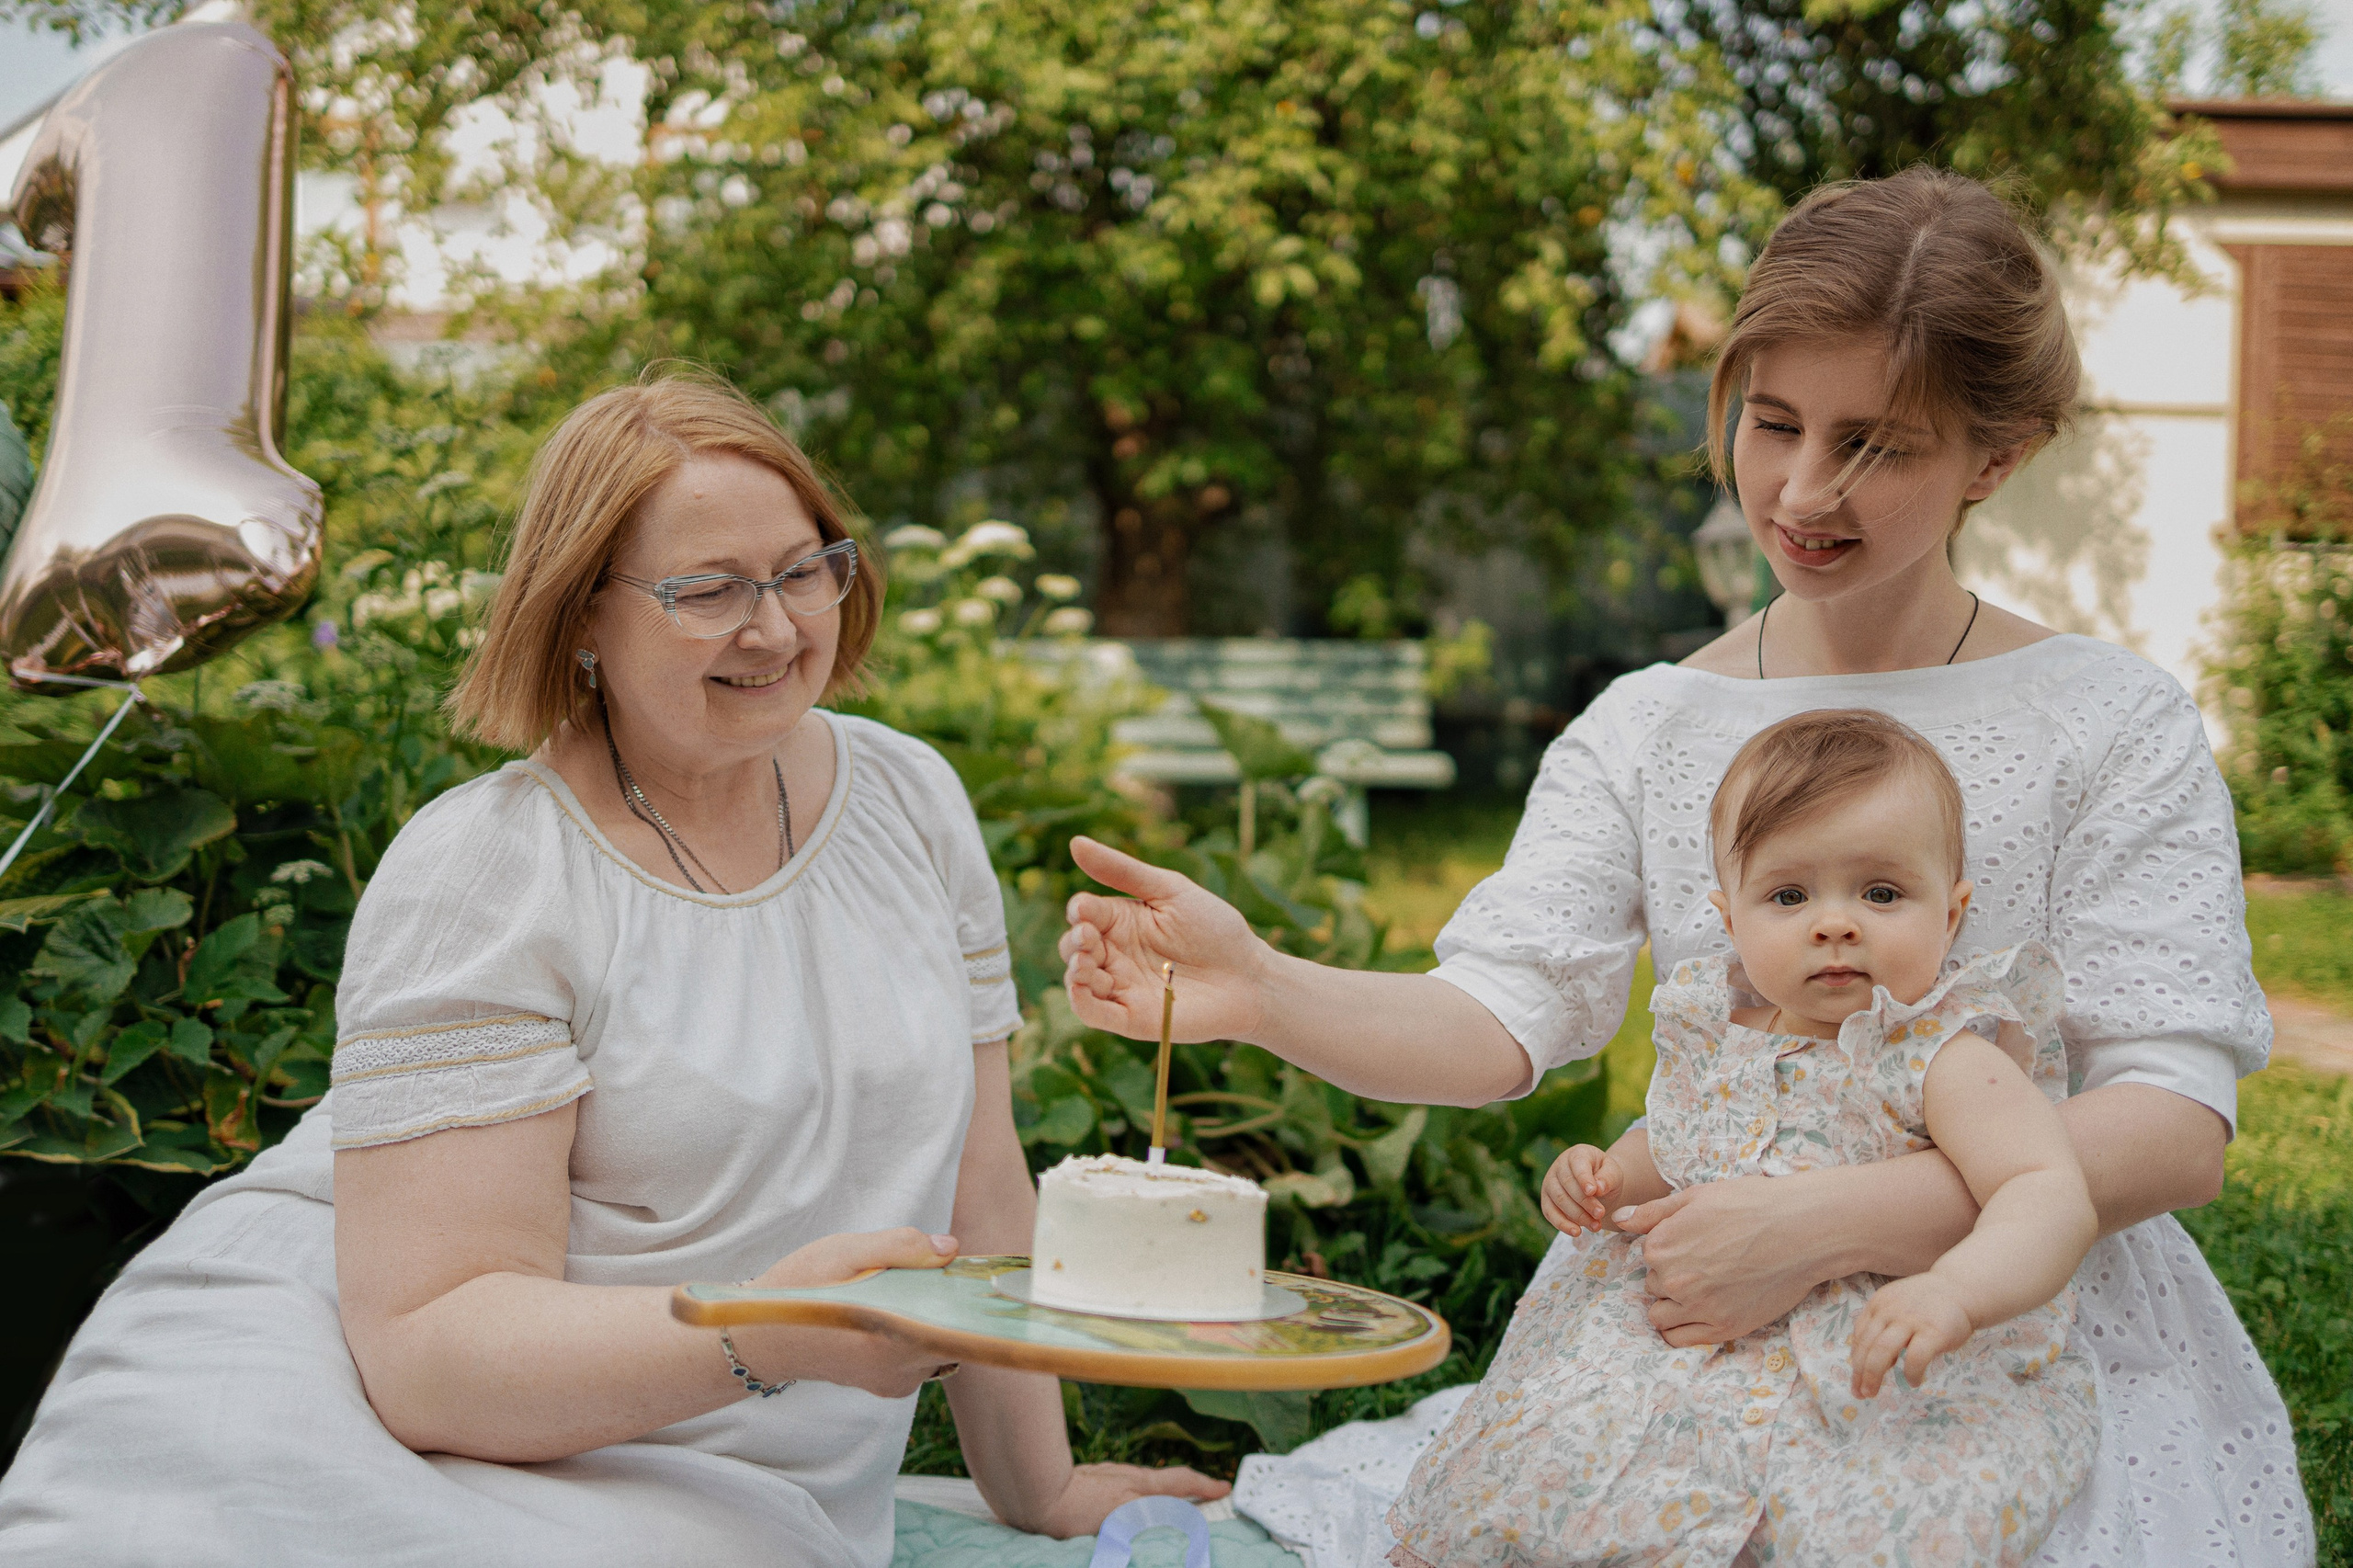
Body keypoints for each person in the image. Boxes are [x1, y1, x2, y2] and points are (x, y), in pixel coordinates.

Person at [1060, 167, 2314, 1565]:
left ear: (1996, 456)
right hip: (1684, 1326)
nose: (1802, 489)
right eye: (1772, 422)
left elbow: (2171, 1123)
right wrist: (1261, 987)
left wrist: (1822, 1225)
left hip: (2005, 1315)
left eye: (1874, 445)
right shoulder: (1651, 724)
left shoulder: (2107, 719)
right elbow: (1501, 1014)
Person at [0, 372, 1219, 1567]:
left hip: (731, 1429)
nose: (774, 628)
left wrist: (1038, 1485)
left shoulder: (908, 799)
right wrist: (771, 1332)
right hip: (384, 1414)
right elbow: (429, 1351)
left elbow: (979, 1176)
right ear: (581, 610)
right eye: (709, 589)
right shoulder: (487, 873)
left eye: (803, 570)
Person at [1389, 710, 2102, 1566]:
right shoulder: (1720, 1036)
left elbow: (2045, 1190)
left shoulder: (1942, 1057)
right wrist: (1609, 1176)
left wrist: (1957, 1291)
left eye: (1881, 894)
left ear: (1951, 914)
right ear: (1730, 921)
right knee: (1549, 1463)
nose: (1834, 924)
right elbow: (1680, 1141)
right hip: (1678, 1335)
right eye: (1789, 897)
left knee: (1878, 1511)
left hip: (1865, 1353)